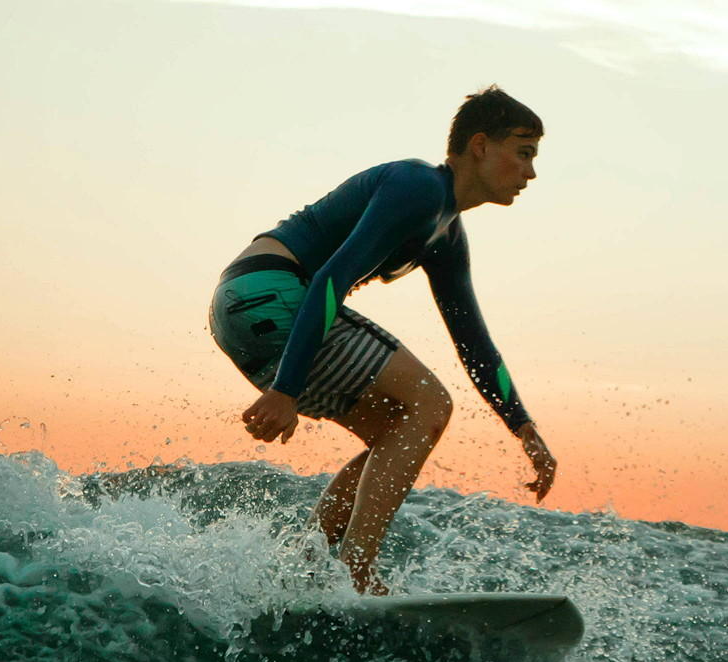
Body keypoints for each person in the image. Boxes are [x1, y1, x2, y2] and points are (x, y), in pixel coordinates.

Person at [207, 86, 559, 595]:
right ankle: (356, 570)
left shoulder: (447, 234)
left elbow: (474, 343)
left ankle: (305, 568)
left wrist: (521, 425)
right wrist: (286, 388)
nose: (530, 173)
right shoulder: (418, 186)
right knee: (431, 404)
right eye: (523, 153)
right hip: (274, 291)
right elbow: (332, 277)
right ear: (480, 145)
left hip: (240, 307)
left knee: (396, 431)